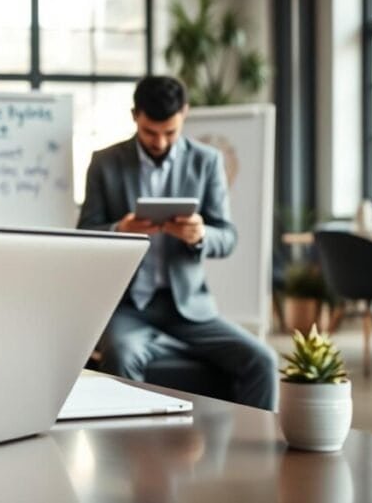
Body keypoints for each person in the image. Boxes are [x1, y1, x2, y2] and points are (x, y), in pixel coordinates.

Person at [77, 76, 277, 411]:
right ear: (134, 116)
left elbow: (227, 237)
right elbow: (84, 236)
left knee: (263, 361)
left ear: (184, 114)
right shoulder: (104, 163)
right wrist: (120, 228)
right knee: (122, 356)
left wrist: (201, 235)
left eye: (170, 132)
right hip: (128, 307)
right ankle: (129, 457)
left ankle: (258, 456)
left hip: (190, 308)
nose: (160, 141)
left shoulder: (207, 161)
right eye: (150, 132)